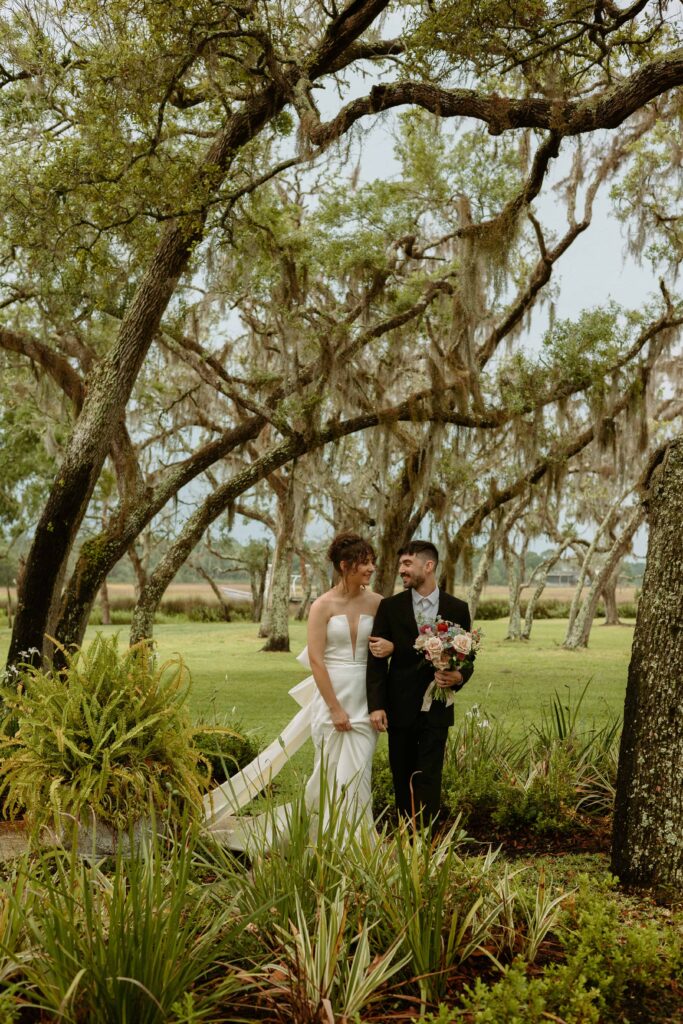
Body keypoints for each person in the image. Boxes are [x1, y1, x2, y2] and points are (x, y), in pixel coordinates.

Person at [366, 540, 475, 824]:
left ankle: (426, 841)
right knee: (402, 776)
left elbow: (469, 657)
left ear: (428, 566)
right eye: (401, 564)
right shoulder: (389, 607)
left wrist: (459, 676)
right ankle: (406, 837)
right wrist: (376, 706)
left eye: (407, 564)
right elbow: (376, 660)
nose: (401, 570)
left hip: (437, 707)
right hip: (399, 706)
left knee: (429, 777)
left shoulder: (457, 608)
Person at [304, 532, 393, 833]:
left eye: (372, 563)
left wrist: (391, 648)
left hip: (367, 698)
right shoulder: (322, 606)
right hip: (333, 696)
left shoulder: (379, 603)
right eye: (364, 563)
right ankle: (328, 843)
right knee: (329, 776)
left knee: (355, 776)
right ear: (345, 565)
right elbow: (316, 660)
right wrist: (334, 708)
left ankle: (356, 848)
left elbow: (394, 644)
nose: (370, 568)